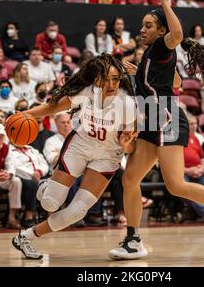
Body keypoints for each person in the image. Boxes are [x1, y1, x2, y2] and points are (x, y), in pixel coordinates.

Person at [108, 0, 204, 261]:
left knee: (175, 184)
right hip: (152, 119)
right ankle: (133, 239)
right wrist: (135, 70)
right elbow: (171, 81)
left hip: (167, 118)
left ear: (161, 30)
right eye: (143, 25)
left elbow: (176, 33)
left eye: (149, 25)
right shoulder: (151, 55)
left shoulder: (163, 45)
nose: (142, 30)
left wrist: (163, 0)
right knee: (130, 179)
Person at [12, 53, 137, 259]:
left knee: (77, 211)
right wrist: (26, 115)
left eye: (115, 79)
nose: (111, 84)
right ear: (96, 79)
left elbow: (130, 149)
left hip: (107, 155)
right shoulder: (87, 92)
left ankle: (25, 237)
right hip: (80, 146)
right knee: (50, 203)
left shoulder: (128, 104)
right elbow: (53, 107)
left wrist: (126, 144)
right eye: (106, 79)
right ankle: (46, 186)